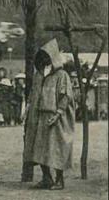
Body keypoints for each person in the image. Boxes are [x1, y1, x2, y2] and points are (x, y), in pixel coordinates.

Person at [23, 39, 75, 190]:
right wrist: (28, 110)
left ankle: (59, 180)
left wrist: (58, 113)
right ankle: (47, 178)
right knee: (38, 148)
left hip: (55, 117)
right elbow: (33, 94)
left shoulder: (61, 75)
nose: (44, 60)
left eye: (47, 56)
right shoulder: (39, 75)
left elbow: (65, 95)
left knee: (56, 148)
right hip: (39, 117)